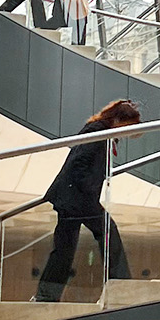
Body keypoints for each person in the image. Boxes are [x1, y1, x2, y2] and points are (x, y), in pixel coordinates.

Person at [34, 99, 138, 302]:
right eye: (128, 126)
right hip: (78, 197)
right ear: (118, 120)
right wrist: (89, 190)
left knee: (64, 250)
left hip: (70, 197)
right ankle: (121, 284)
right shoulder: (98, 132)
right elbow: (79, 162)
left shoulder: (100, 131)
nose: (127, 132)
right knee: (108, 231)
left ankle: (46, 296)